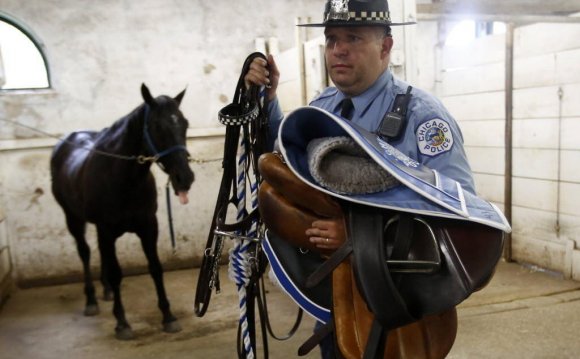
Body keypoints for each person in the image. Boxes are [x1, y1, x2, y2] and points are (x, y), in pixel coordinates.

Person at [246, 0, 474, 357]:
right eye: (332, 38)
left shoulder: (423, 118)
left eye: (353, 37)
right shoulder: (324, 106)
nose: (339, 50)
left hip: (399, 306)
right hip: (334, 299)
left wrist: (360, 239)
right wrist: (268, 99)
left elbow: (458, 212)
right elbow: (287, 159)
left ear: (385, 47)